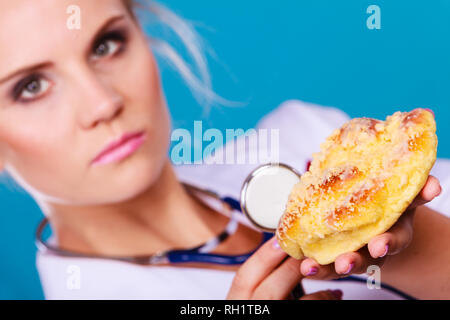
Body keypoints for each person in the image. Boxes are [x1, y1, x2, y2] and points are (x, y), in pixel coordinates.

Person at [0, 0, 448, 300]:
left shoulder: (314, 141)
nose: (103, 102)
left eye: (106, 44)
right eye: (30, 87)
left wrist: (416, 251)